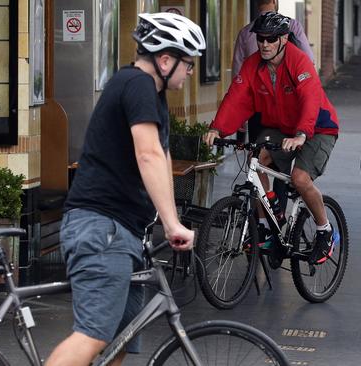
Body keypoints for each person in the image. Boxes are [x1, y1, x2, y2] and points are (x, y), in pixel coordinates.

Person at [45, 12, 203, 366]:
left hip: (125, 232)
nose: (190, 72)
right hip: (103, 229)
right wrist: (174, 225)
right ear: (165, 60)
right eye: (187, 64)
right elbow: (147, 154)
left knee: (118, 342)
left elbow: (160, 157)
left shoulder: (152, 95)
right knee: (93, 335)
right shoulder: (136, 85)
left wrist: (169, 220)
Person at [204, 12, 339, 266]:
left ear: (284, 39)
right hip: (281, 126)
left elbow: (310, 98)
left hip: (317, 128)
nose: (264, 44)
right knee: (257, 162)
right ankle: (267, 225)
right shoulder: (253, 64)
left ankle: (325, 231)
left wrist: (301, 134)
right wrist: (218, 129)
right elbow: (237, 96)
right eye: (260, 39)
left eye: (271, 39)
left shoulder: (299, 62)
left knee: (300, 178)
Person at [233, 0, 314, 143]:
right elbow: (309, 60)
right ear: (275, 2)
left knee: (256, 155)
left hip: (257, 104)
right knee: (287, 149)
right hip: (288, 101)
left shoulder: (246, 32)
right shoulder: (292, 26)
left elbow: (237, 75)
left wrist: (238, 114)